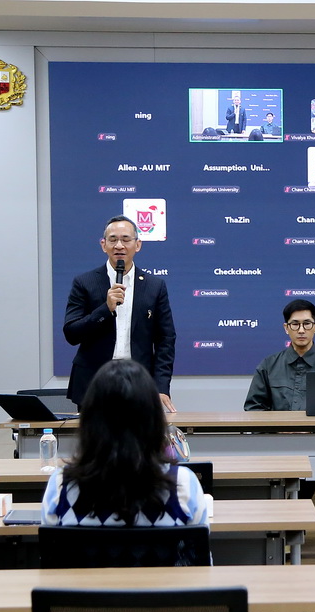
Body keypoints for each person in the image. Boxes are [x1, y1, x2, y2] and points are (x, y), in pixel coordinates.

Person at [42, 359, 207, 528]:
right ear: (154, 420)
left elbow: (50, 544)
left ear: (89, 421)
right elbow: (199, 545)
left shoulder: (61, 486)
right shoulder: (183, 484)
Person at [63, 215, 177, 411]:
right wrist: (105, 309)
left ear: (137, 245)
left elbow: (165, 339)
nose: (119, 246)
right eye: (113, 239)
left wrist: (161, 386)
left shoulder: (155, 286)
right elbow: (72, 334)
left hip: (139, 381)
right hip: (93, 382)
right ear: (103, 245)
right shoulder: (84, 283)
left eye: (125, 239)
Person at [244, 299, 315, 412]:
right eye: (295, 324)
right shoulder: (268, 366)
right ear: (286, 328)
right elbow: (254, 408)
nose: (301, 330)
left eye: (307, 324)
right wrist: (278, 424)